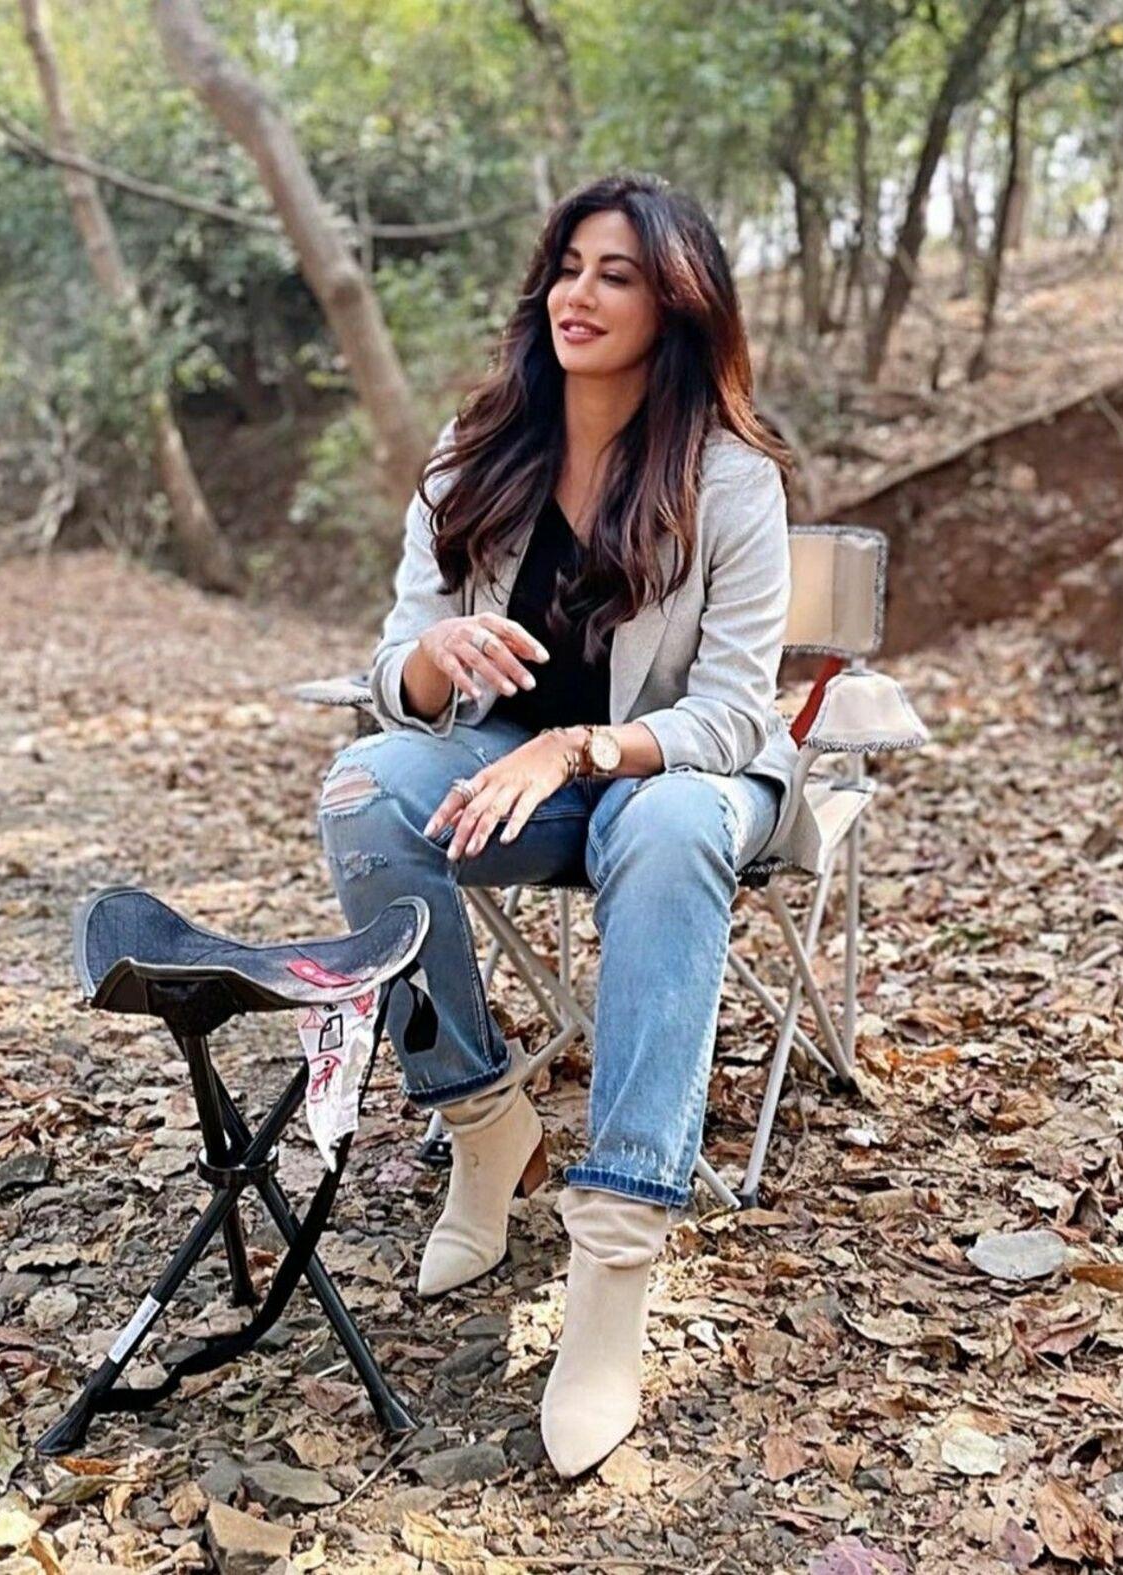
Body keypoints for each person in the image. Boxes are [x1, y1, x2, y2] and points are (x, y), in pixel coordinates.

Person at [317, 172, 803, 1477]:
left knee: (666, 825)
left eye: (620, 274)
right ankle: (485, 1127)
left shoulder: (731, 478)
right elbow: (396, 664)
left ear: (678, 303)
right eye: (570, 267)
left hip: (669, 777)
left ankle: (617, 1254)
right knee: (363, 790)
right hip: (508, 775)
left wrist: (584, 741)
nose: (580, 295)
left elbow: (738, 714)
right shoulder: (477, 449)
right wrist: (428, 671)